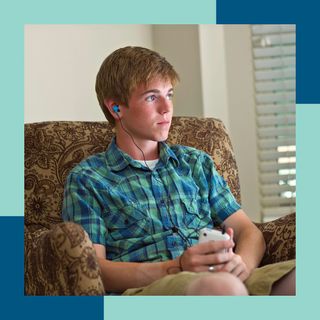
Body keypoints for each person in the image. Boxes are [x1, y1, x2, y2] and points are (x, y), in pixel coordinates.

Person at [62, 46, 295, 296]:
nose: (167, 108)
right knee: (222, 288)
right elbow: (95, 270)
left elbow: (248, 231)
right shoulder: (87, 179)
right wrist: (176, 267)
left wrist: (242, 265)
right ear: (116, 108)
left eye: (169, 95)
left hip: (226, 277)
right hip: (149, 290)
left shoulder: (196, 163)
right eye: (152, 97)